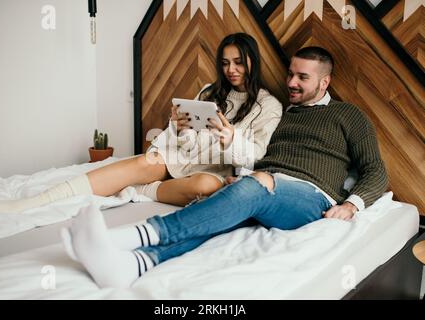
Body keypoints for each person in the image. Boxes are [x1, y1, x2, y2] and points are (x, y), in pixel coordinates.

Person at [61, 46, 389, 289]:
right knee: (215, 214)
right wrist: (244, 179)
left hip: (312, 197)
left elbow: (376, 171)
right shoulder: (285, 116)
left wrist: (350, 205)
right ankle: (136, 262)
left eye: (303, 77)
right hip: (268, 186)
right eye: (290, 73)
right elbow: (263, 161)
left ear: (325, 82)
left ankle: (131, 235)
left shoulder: (349, 116)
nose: (291, 82)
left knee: (256, 183)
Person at [0, 33, 283, 212]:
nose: (231, 69)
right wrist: (181, 130)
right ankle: (37, 202)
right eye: (225, 62)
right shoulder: (210, 91)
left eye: (238, 62)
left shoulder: (268, 106)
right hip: (179, 158)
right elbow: (187, 140)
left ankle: (138, 190)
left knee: (206, 188)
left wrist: (230, 138)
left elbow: (256, 156)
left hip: (213, 170)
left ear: (252, 62)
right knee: (146, 161)